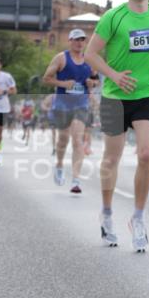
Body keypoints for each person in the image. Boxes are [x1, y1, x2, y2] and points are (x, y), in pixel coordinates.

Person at [85, 0, 149, 251]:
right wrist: (113, 74)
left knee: (147, 154)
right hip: (114, 95)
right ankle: (108, 212)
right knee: (112, 158)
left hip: (148, 93)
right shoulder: (114, 17)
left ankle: (137, 217)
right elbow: (91, 54)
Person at [42, 29, 96, 194]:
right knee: (63, 140)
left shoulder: (90, 60)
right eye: (77, 40)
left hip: (81, 104)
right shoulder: (61, 58)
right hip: (63, 105)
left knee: (77, 140)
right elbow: (46, 78)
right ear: (70, 41)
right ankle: (59, 164)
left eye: (82, 40)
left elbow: (95, 80)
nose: (80, 43)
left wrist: (91, 83)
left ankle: (75, 179)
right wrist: (64, 84)